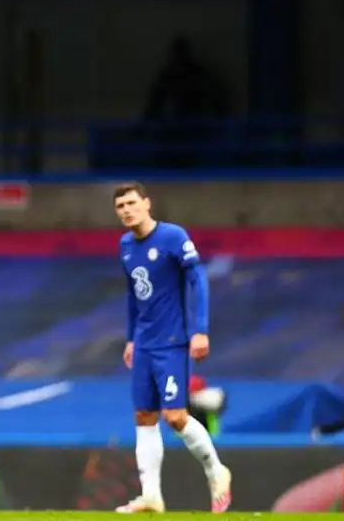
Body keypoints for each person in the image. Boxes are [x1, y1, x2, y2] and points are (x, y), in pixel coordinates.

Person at [112, 182, 231, 514]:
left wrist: (200, 331)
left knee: (175, 416)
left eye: (131, 202)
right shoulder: (125, 246)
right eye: (120, 206)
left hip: (172, 343)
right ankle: (151, 496)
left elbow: (199, 281)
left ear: (147, 203)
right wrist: (131, 338)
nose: (126, 210)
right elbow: (133, 294)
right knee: (144, 417)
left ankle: (216, 471)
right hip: (145, 345)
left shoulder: (173, 237)